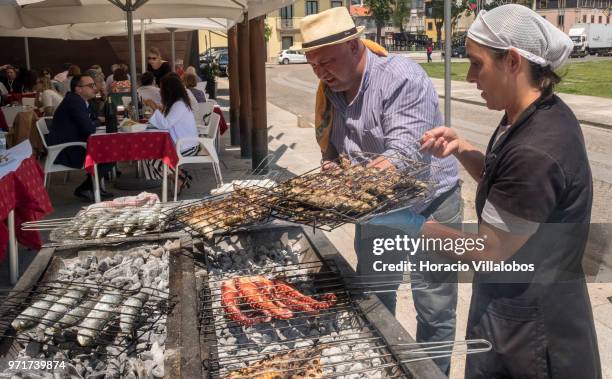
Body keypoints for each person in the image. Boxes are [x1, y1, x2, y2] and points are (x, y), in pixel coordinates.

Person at [413, 5, 601, 377]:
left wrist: (411, 225)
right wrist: (463, 149)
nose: (469, 77)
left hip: (533, 338)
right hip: (518, 317)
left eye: (476, 63)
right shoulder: (533, 112)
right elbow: (511, 191)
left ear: (513, 62)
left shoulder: (537, 148)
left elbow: (489, 250)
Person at [300, 7, 461, 374]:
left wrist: (340, 189)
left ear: (356, 46)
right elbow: (337, 149)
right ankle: (379, 368)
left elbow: (404, 154)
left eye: (327, 62)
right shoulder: (331, 87)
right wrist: (331, 166)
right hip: (376, 209)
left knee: (434, 307)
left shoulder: (401, 77)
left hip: (429, 204)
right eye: (314, 66)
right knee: (373, 295)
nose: (322, 74)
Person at [47, 74, 114, 201]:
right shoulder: (74, 102)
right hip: (66, 150)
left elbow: (91, 120)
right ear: (78, 89)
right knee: (110, 154)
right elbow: (89, 128)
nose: (94, 88)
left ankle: (91, 187)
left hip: (73, 143)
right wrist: (98, 122)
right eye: (90, 86)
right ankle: (85, 188)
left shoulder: (80, 101)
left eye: (94, 85)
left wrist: (95, 121)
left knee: (108, 152)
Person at [142, 73, 198, 192]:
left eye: (162, 89)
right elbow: (166, 122)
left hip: (187, 145)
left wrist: (154, 108)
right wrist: (157, 109)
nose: (160, 91)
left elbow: (165, 124)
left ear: (168, 90)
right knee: (150, 154)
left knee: (152, 156)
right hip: (181, 143)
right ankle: (179, 175)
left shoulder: (179, 104)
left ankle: (177, 178)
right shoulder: (176, 103)